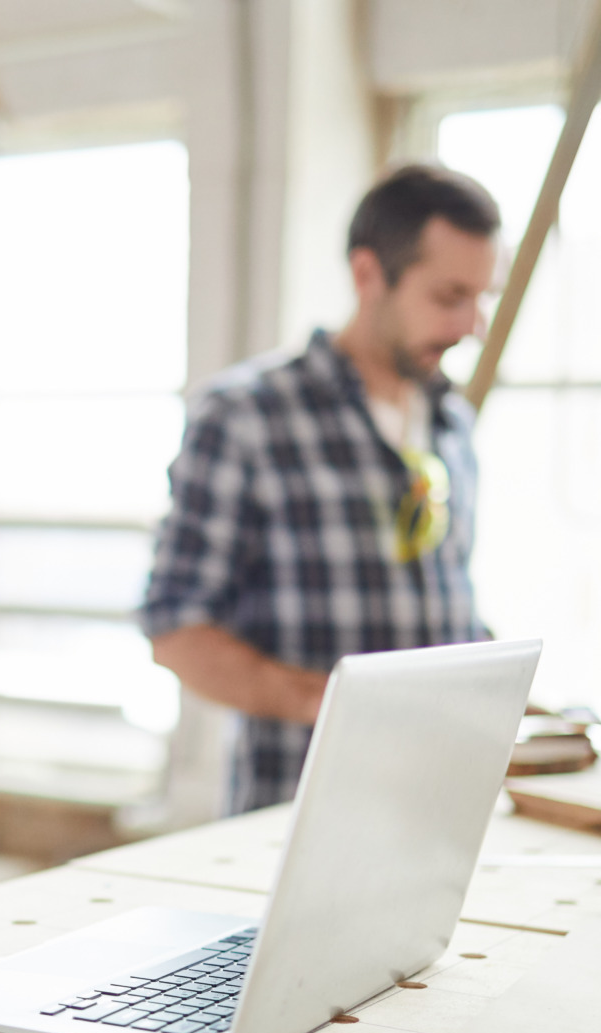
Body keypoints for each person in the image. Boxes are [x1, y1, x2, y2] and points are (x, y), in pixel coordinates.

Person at [142, 165, 501, 813]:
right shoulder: (247, 415)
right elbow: (176, 627)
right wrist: (335, 704)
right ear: (368, 275)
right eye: (449, 296)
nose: (470, 324)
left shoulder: (452, 422)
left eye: (482, 298)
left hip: (440, 803)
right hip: (299, 809)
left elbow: (446, 609)